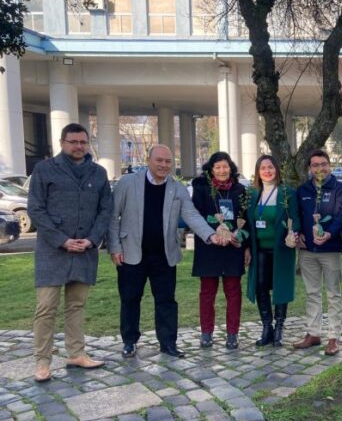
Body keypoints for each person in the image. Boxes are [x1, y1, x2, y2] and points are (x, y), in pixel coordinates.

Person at [109, 145, 226, 359]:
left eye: (168, 162)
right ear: (149, 160)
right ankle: (129, 341)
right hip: (131, 253)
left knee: (166, 301)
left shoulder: (177, 188)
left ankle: (168, 343)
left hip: (164, 254)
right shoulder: (128, 183)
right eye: (159, 160)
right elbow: (112, 216)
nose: (164, 165)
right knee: (130, 299)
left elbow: (191, 215)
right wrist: (114, 247)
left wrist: (210, 235)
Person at [27, 123, 113, 382]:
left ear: (88, 144)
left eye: (82, 142)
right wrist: (62, 240)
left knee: (77, 305)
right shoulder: (44, 169)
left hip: (85, 250)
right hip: (53, 251)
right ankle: (43, 361)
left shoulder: (98, 173)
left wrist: (92, 239)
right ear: (62, 142)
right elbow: (35, 209)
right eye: (73, 141)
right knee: (46, 307)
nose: (78, 146)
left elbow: (105, 210)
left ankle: (76, 352)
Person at [293, 149, 342, 355]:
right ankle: (313, 333)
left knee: (334, 294)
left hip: (330, 249)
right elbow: (297, 215)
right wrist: (297, 233)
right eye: (315, 165)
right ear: (310, 168)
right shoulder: (303, 190)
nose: (320, 168)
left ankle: (334, 337)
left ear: (330, 166)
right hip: (308, 250)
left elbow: (340, 217)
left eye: (323, 164)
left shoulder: (340, 189)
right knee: (312, 293)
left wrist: (329, 234)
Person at [190, 152, 248, 350]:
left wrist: (237, 237)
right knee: (207, 292)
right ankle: (206, 332)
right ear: (211, 169)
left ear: (231, 168)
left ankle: (233, 333)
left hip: (233, 248)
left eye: (225, 167)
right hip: (209, 247)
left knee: (233, 291)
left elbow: (245, 219)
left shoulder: (241, 190)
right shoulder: (201, 189)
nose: (222, 171)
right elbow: (195, 215)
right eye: (218, 167)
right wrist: (216, 231)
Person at [245, 155, 300, 348]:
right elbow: (246, 223)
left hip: (281, 249)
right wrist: (246, 247)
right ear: (258, 172)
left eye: (270, 167)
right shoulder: (252, 194)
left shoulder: (287, 193)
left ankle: (279, 329)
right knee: (260, 287)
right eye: (263, 168)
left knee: (280, 286)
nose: (267, 171)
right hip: (259, 250)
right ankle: (267, 327)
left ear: (277, 169)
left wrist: (293, 234)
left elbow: (295, 218)